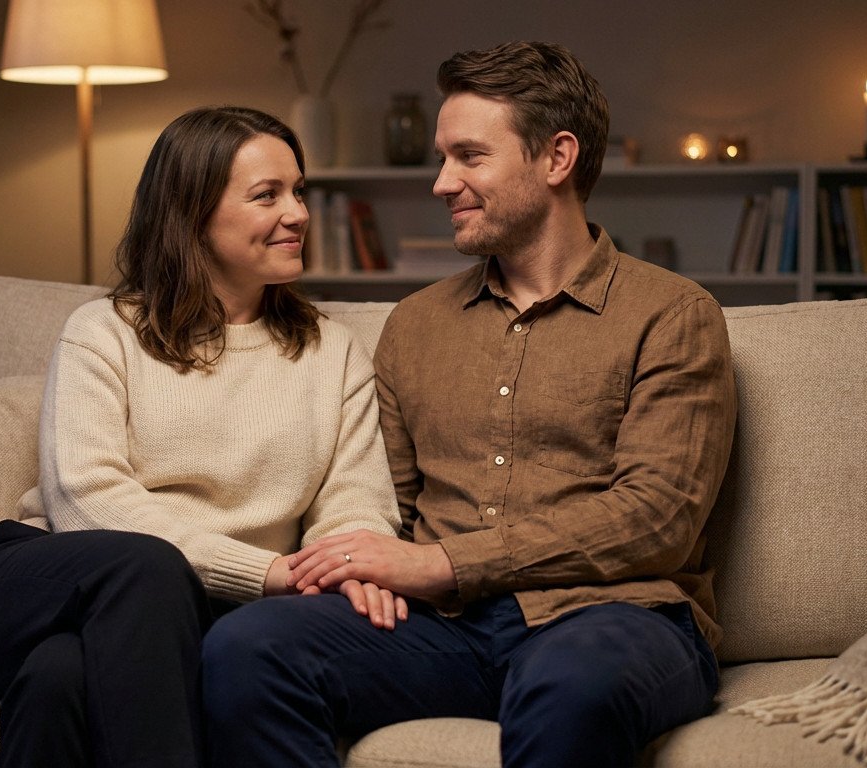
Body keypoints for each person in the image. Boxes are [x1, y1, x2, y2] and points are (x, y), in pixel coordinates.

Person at [202, 42, 737, 767]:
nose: (441, 183)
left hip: (612, 618)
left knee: (572, 683)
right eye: (441, 157)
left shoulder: (671, 314)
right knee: (249, 645)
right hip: (442, 632)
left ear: (557, 159)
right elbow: (381, 498)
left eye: (469, 157)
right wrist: (363, 565)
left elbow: (657, 518)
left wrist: (444, 564)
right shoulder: (415, 324)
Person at [0, 105, 404, 768]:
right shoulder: (105, 332)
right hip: (36, 587)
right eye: (267, 195)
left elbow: (354, 499)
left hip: (184, 621)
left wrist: (348, 567)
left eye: (298, 191)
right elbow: (84, 496)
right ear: (191, 212)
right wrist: (265, 571)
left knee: (58, 681)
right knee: (146, 566)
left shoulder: (333, 353)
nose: (299, 213)